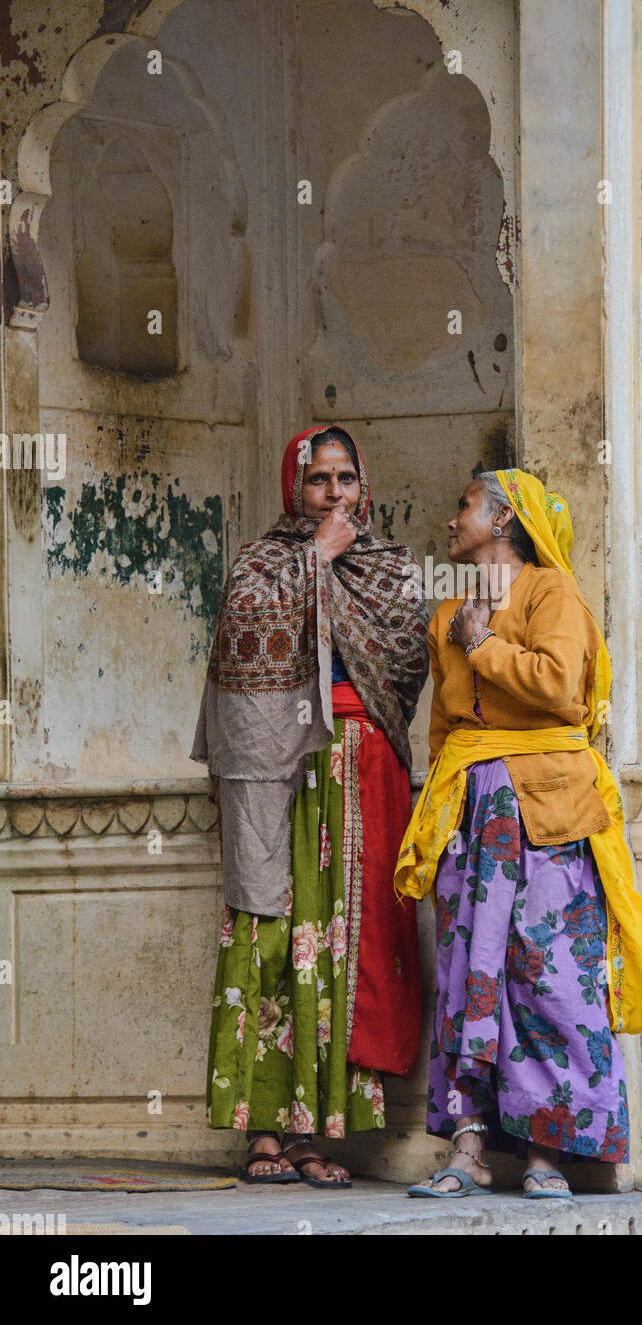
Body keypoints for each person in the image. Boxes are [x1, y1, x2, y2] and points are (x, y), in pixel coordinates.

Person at [396, 468, 642, 1199]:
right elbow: (445, 727)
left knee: (549, 978)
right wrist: (441, 815)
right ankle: (468, 1151)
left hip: (547, 816)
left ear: (503, 518)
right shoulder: (450, 608)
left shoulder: (552, 593)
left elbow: (558, 686)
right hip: (470, 819)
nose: (452, 521)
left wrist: (484, 649)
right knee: (466, 982)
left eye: (464, 505)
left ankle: (547, 1157)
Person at [191, 424, 429, 1184]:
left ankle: (320, 1137)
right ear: (297, 487)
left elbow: (402, 667)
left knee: (342, 945)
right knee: (271, 933)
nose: (335, 494)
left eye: (346, 479)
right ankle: (265, 1130)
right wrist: (314, 558)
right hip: (278, 771)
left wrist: (335, 562)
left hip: (363, 772)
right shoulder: (263, 562)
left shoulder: (391, 570)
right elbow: (240, 637)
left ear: (365, 484)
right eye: (320, 480)